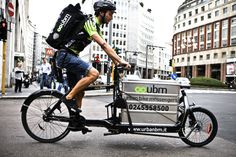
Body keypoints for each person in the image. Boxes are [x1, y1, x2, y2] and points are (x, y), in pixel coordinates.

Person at [56, 0, 130, 116]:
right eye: (110, 14)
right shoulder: (90, 22)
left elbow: (106, 48)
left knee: (80, 92)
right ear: (101, 12)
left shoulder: (96, 27)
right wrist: (121, 60)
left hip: (71, 56)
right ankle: (68, 98)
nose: (111, 17)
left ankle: (75, 119)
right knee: (94, 74)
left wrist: (117, 62)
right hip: (66, 56)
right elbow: (104, 45)